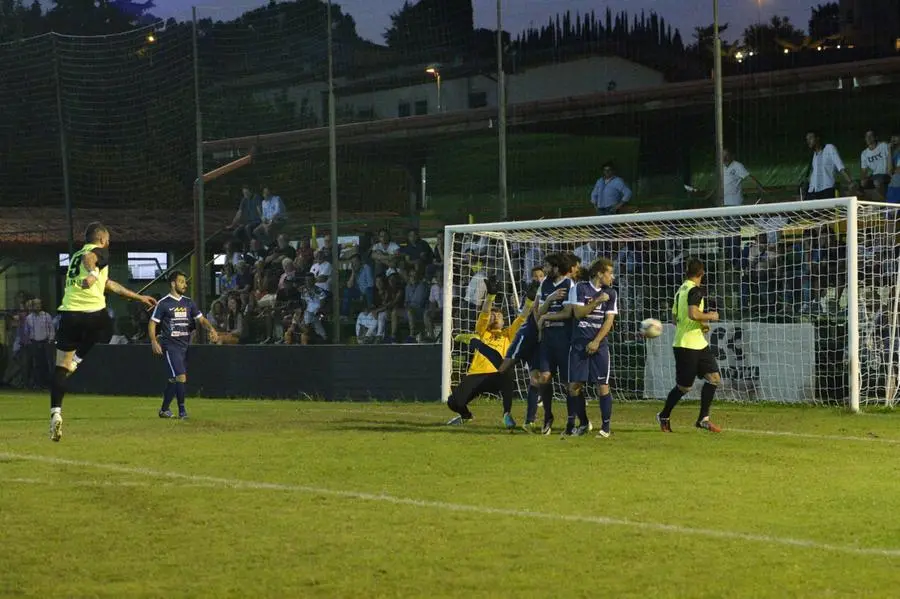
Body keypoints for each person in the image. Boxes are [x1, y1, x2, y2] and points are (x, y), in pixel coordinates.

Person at [51, 222, 157, 441]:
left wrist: (138, 297)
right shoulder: (94, 252)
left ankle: (55, 413)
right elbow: (91, 260)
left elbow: (109, 285)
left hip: (68, 314)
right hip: (92, 314)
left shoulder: (76, 255)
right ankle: (77, 361)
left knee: (60, 368)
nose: (109, 244)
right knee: (104, 327)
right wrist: (91, 273)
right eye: (108, 240)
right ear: (101, 239)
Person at [543, 258, 617, 438]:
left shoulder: (612, 293)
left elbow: (608, 322)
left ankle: (605, 428)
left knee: (603, 386)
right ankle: (583, 422)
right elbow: (578, 313)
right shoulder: (580, 289)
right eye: (610, 273)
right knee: (574, 386)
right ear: (600, 273)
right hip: (578, 344)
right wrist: (598, 301)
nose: (612, 277)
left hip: (599, 345)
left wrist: (597, 341)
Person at [446, 276, 534, 429]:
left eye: (498, 315)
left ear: (504, 321)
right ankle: (466, 416)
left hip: (498, 375)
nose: (495, 317)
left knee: (506, 368)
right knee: (453, 402)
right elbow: (485, 312)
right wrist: (490, 296)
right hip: (477, 375)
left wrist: (530, 301)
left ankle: (507, 414)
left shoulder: (508, 334)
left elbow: (522, 318)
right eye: (493, 315)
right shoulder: (482, 332)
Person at [656, 257, 722, 433]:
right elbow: (693, 314)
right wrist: (711, 316)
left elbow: (675, 319)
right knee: (684, 387)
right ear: (702, 273)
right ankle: (664, 415)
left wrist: (700, 325)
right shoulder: (695, 290)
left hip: (697, 343)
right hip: (686, 346)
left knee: (714, 378)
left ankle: (703, 419)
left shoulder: (681, 290)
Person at [148, 271, 219, 419]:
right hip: (170, 345)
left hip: (184, 346)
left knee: (174, 379)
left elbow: (201, 319)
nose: (185, 285)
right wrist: (154, 341)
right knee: (181, 376)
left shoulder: (188, 302)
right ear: (173, 284)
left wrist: (211, 329)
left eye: (185, 282)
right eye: (181, 281)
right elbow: (153, 322)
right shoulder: (164, 303)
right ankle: (182, 411)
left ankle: (164, 410)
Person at [535, 253, 577, 435]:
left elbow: (568, 313)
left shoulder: (569, 284)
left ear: (557, 268)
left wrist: (546, 316)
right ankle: (548, 416)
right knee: (544, 377)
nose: (544, 269)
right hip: (547, 336)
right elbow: (538, 312)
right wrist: (550, 299)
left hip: (563, 337)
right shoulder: (544, 284)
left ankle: (572, 419)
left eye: (547, 266)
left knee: (569, 383)